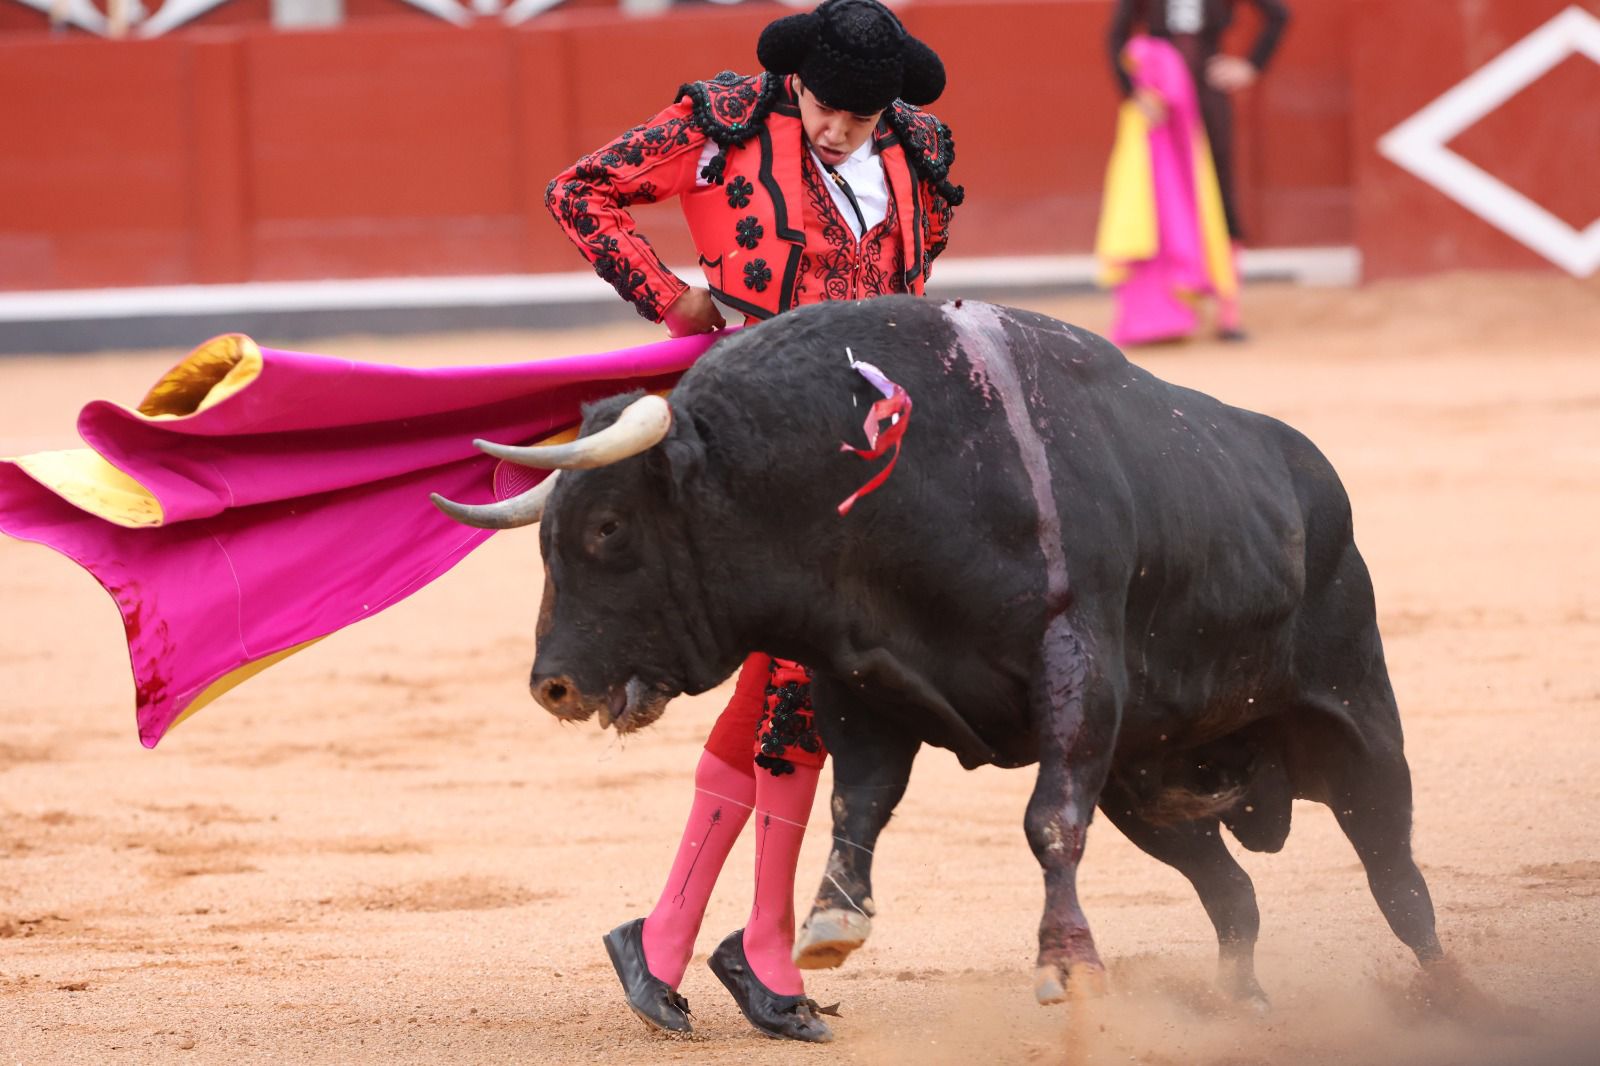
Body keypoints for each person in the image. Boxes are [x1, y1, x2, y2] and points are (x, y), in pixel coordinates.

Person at [544, 0, 961, 1044]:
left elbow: (912, 294)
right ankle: (746, 942)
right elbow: (578, 191)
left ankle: (687, 935)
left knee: (809, 685)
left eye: (863, 115)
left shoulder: (921, 150)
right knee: (792, 679)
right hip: (750, 443)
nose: (840, 130)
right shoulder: (725, 122)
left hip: (868, 458)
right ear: (797, 83)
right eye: (827, 107)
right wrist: (671, 302)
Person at [1104, 0, 1290, 341]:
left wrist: (1251, 66)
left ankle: (1228, 312)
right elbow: (1115, 37)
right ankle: (1173, 303)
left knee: (1219, 194)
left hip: (1207, 96)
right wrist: (1134, 93)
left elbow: (1278, 14)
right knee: (1160, 198)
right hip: (1161, 101)